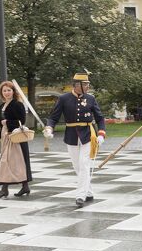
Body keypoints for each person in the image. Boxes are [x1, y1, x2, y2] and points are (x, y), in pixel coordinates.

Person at [44, 71, 106, 207]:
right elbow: (53, 117)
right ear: (77, 85)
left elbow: (100, 118)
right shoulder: (64, 98)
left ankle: (80, 196)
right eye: (85, 84)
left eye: (88, 84)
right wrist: (49, 128)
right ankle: (88, 192)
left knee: (84, 164)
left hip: (88, 135)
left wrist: (101, 133)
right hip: (71, 135)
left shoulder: (91, 98)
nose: (88, 86)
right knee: (77, 166)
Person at [0, 81, 32, 198]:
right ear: (1, 92)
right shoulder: (1, 106)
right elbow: (1, 124)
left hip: (16, 138)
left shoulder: (18, 104)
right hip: (6, 138)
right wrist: (1, 136)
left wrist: (8, 122)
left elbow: (22, 121)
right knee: (9, 162)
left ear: (13, 91)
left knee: (15, 163)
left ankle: (4, 189)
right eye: (4, 90)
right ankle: (24, 187)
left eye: (9, 90)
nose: (6, 93)